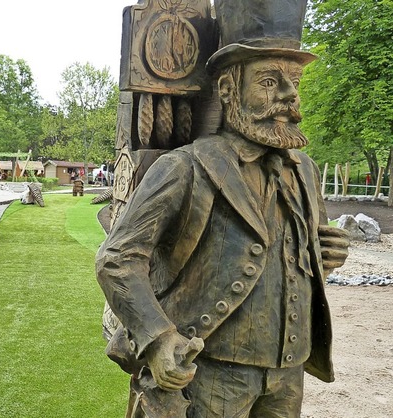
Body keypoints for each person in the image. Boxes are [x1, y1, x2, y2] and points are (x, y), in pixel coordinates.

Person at [95, 1, 350, 416]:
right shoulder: (185, 168)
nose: (288, 95)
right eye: (269, 81)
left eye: (294, 81)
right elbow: (117, 258)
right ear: (229, 90)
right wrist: (158, 339)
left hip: (288, 371)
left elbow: (298, 253)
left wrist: (324, 254)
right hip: (207, 375)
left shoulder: (304, 169)